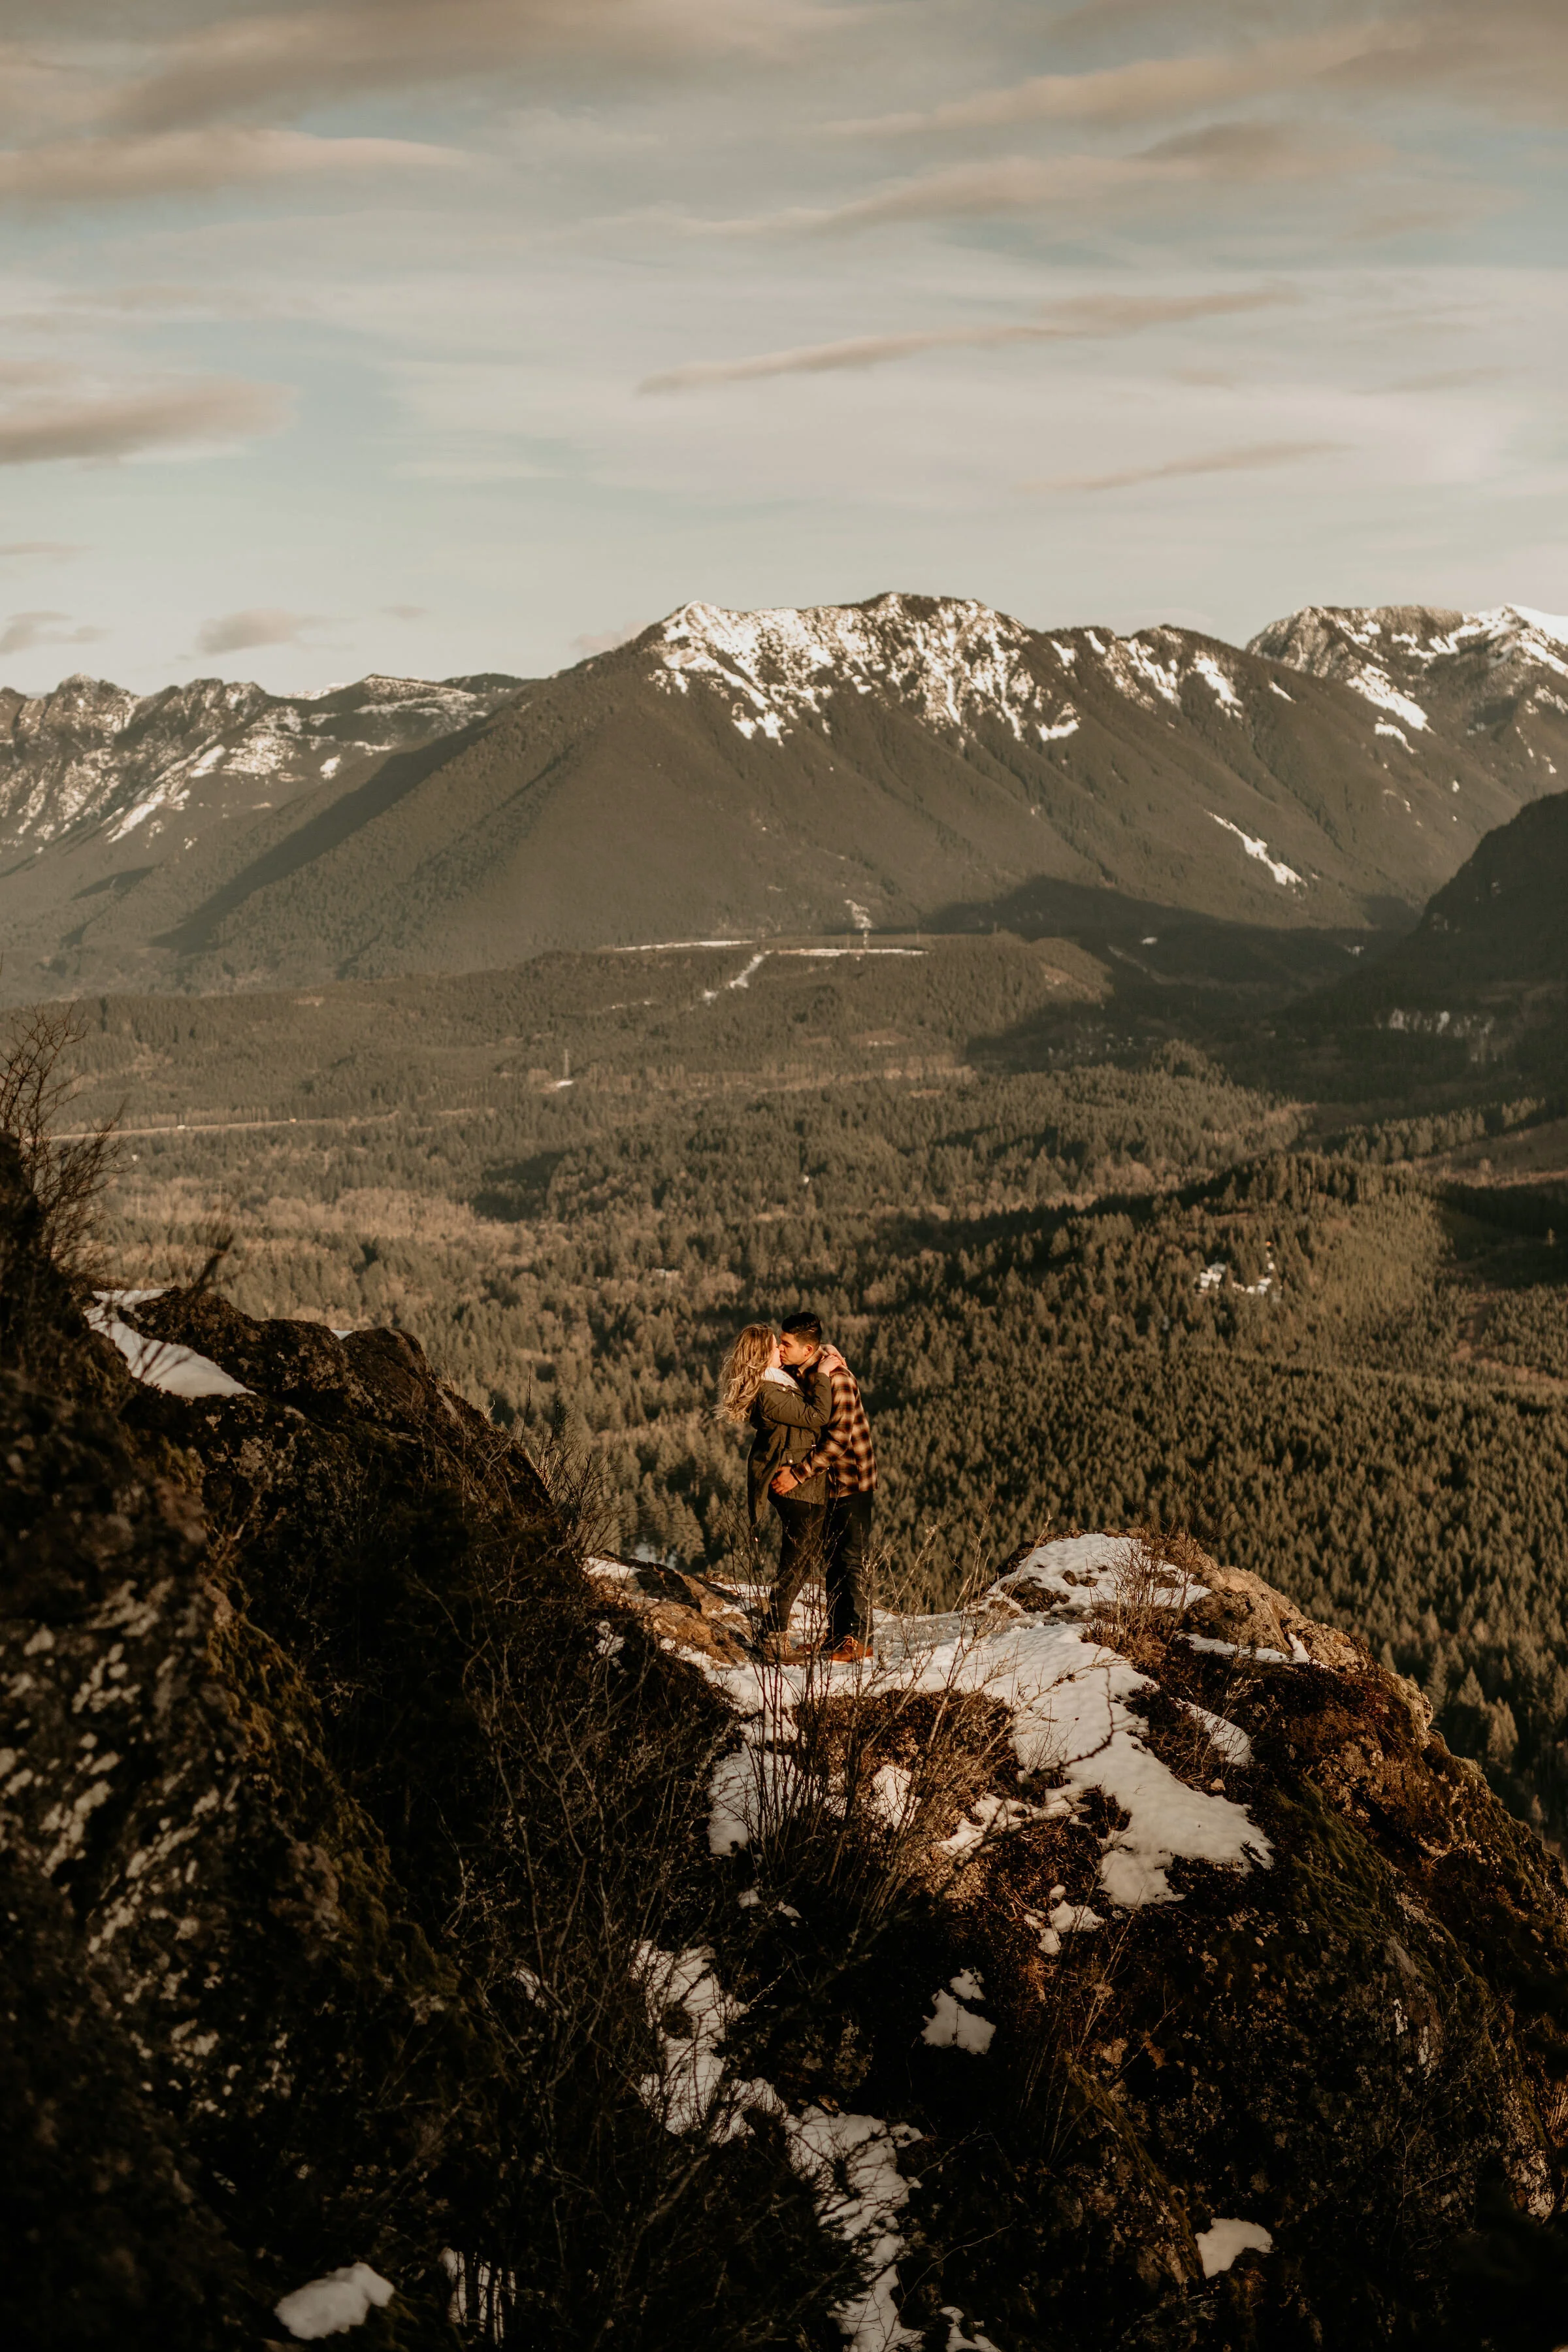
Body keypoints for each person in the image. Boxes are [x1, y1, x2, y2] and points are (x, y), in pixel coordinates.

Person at [768, 1311, 877, 1665]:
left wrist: (797, 1475)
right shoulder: (806, 1372)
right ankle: (838, 1635)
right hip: (826, 1483)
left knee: (850, 1559)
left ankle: (859, 1640)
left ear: (808, 1348)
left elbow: (838, 1441)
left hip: (851, 1480)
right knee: (832, 1559)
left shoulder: (838, 1379)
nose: (781, 1349)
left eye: (786, 1344)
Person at [718, 1322, 831, 1662]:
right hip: (792, 1486)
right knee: (795, 1560)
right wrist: (825, 1371)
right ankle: (773, 1638)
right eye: (774, 1347)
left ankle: (772, 1628)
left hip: (804, 1485)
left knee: (803, 1557)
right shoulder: (769, 1393)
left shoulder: (778, 1384)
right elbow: (818, 1415)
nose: (780, 1350)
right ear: (760, 1356)